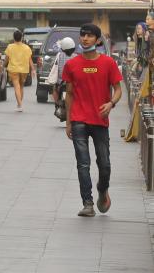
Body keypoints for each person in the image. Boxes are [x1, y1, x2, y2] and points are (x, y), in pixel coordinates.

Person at [61, 23, 124, 216]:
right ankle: (87, 203)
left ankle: (102, 189)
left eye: (89, 36)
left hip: (100, 120)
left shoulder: (108, 63)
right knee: (83, 163)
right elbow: (69, 94)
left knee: (104, 164)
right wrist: (69, 122)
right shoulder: (71, 64)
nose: (85, 38)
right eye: (83, 35)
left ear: (98, 40)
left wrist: (111, 104)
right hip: (79, 119)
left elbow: (118, 89)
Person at [4, 30, 34, 111]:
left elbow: (6, 59)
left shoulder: (10, 47)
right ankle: (19, 104)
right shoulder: (26, 47)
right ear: (22, 38)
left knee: (16, 86)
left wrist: (3, 65)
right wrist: (33, 70)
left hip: (13, 69)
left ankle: (20, 105)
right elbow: (30, 59)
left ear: (14, 37)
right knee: (21, 86)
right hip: (24, 69)